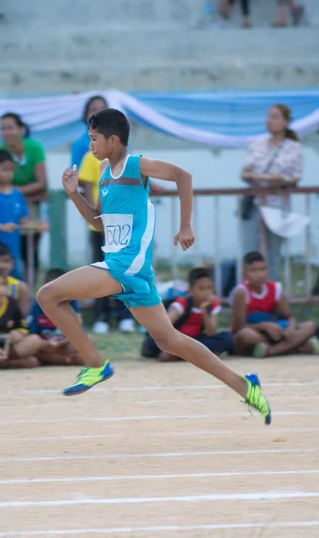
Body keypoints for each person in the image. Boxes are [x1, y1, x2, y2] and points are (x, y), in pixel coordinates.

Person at [36, 108, 271, 425]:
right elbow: (98, 223)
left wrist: (185, 225)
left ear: (113, 139)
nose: (89, 146)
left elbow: (183, 176)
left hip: (125, 266)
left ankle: (95, 363)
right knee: (170, 341)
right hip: (129, 268)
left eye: (93, 139)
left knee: (48, 295)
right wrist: (74, 194)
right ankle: (244, 386)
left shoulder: (137, 165)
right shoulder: (104, 171)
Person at [240, 104, 302, 281]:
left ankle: (271, 289)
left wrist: (279, 179)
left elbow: (295, 177)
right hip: (255, 203)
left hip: (277, 205)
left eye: (275, 117)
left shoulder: (293, 147)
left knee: (273, 252)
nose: (270, 121)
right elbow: (244, 172)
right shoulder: (257, 144)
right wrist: (257, 177)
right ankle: (247, 292)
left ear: (286, 121)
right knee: (250, 249)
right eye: (268, 116)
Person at [79, 149, 136, 334]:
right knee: (101, 272)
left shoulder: (126, 159)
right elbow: (88, 189)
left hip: (122, 225)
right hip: (100, 226)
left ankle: (125, 316)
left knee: (123, 271)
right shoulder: (90, 158)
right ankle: (101, 317)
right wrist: (97, 218)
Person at [231, 251, 318, 357]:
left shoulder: (275, 288)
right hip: (257, 335)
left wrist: (291, 327)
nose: (259, 274)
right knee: (245, 335)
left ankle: (270, 351)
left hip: (276, 334)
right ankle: (292, 348)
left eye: (262, 269)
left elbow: (289, 316)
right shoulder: (241, 292)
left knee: (310, 325)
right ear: (244, 274)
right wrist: (263, 326)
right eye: (253, 270)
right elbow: (239, 327)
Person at [0, 150, 45, 280]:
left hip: (12, 252)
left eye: (11, 170)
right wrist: (1, 227)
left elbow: (24, 221)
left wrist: (38, 226)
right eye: (4, 170)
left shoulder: (17, 195)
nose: (8, 174)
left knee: (15, 284)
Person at [0, 113, 48, 278]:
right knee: (10, 247)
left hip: (31, 206)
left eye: (10, 128)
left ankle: (32, 288)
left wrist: (14, 191)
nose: (7, 132)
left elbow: (42, 182)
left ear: (20, 129)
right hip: (9, 206)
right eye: (3, 129)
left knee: (31, 249)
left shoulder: (34, 147)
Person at [141, 267, 234, 361]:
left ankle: (183, 354)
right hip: (176, 338)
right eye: (201, 289)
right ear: (191, 290)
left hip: (195, 340)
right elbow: (164, 327)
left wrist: (206, 311)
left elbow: (211, 332)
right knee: (156, 342)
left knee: (227, 338)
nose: (206, 292)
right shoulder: (183, 303)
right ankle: (186, 353)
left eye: (209, 288)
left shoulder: (212, 304)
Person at [27, 269, 84, 366]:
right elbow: (30, 331)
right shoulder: (37, 305)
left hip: (63, 345)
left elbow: (79, 331)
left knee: (87, 341)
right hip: (43, 346)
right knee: (32, 344)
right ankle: (66, 361)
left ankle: (55, 360)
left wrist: (60, 343)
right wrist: (46, 344)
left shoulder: (73, 303)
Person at [0, 242, 30, 316]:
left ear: (12, 263)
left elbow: (24, 316)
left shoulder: (20, 287)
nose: (1, 265)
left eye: (6, 261)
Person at [71, 95, 108, 170]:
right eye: (94, 109)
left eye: (103, 109)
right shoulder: (79, 145)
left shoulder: (117, 140)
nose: (99, 112)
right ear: (86, 115)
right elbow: (76, 175)